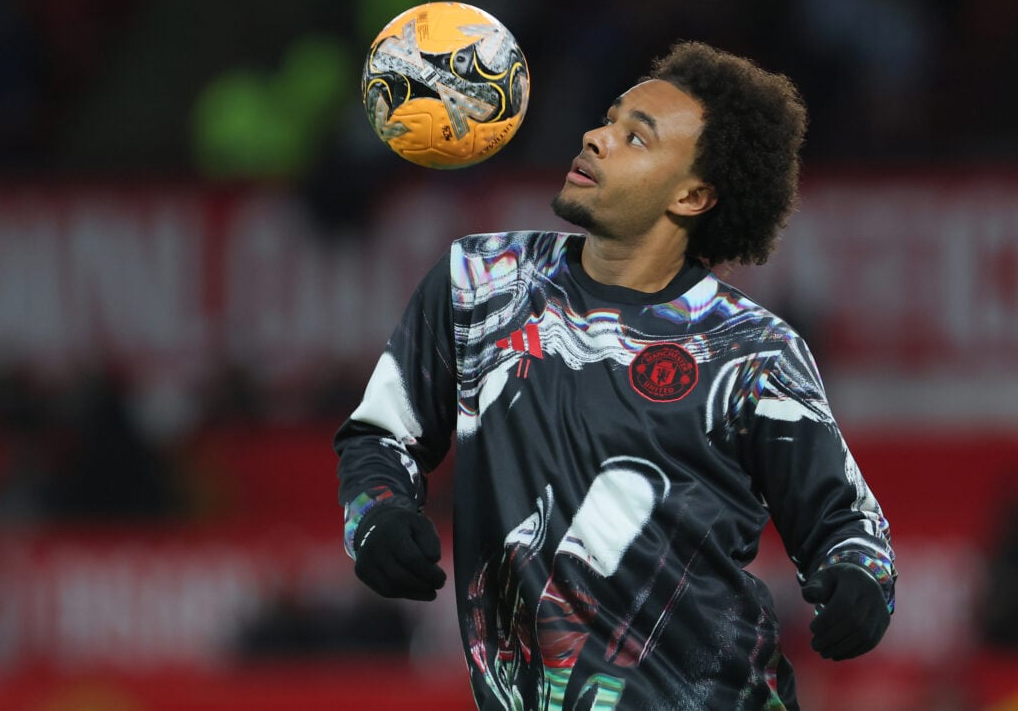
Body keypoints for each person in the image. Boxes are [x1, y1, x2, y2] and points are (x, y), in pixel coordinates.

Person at [335, 40, 896, 710]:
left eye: (636, 137)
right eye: (608, 120)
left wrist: (860, 581)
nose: (596, 138)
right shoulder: (479, 282)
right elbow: (381, 435)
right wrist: (377, 513)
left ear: (692, 195)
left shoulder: (753, 352)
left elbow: (845, 521)